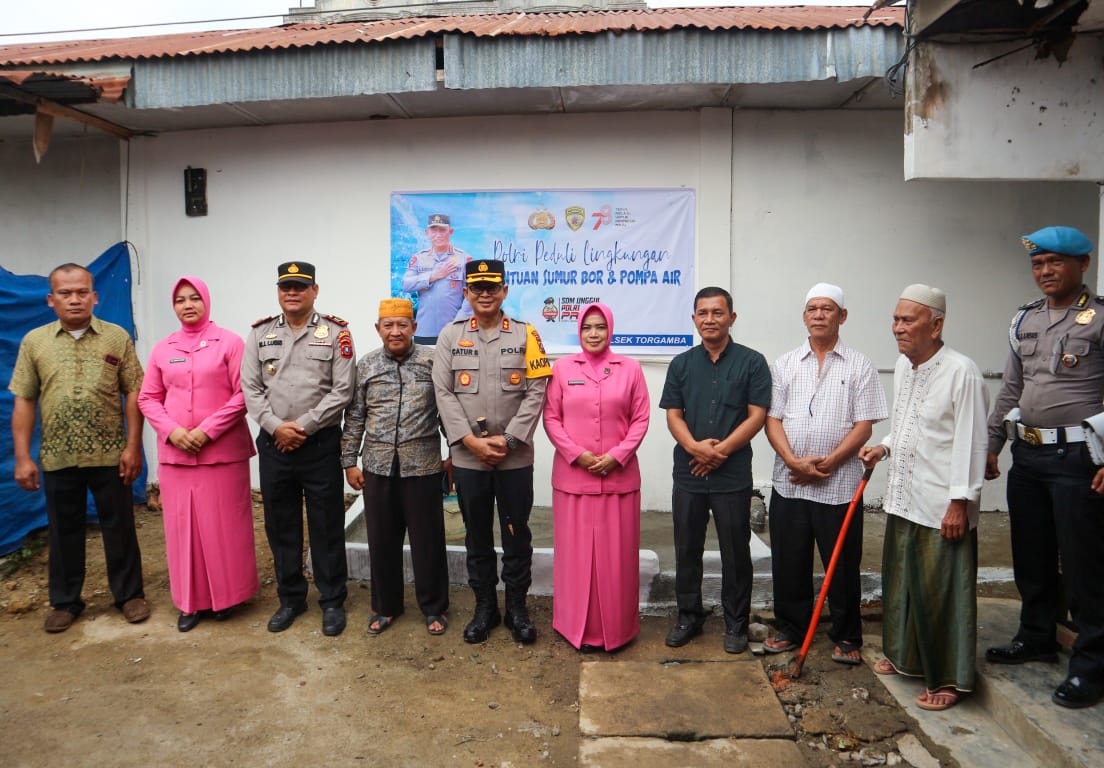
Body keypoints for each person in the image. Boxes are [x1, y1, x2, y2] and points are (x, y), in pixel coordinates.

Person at [984, 226, 1104, 709]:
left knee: (1084, 565)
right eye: (1038, 264)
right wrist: (991, 444)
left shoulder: (1098, 319)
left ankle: (1091, 666)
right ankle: (1036, 636)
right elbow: (1011, 389)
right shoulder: (1025, 320)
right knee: (1030, 556)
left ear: (1083, 265)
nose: (1045, 272)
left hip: (1078, 459)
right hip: (1027, 456)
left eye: (1055, 262)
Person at [859, 283, 988, 712]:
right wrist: (884, 446)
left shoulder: (962, 371)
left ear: (936, 325)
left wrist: (960, 502)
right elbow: (911, 424)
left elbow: (971, 440)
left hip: (940, 504)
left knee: (940, 593)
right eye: (895, 319)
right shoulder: (904, 366)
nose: (897, 328)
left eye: (907, 320)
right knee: (904, 585)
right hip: (904, 495)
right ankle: (904, 657)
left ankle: (948, 677)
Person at [9, 263, 149, 633]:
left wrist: (134, 445)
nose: (75, 299)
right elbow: (24, 399)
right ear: (51, 299)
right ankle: (66, 601)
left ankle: (129, 595)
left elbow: (134, 391)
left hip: (110, 452)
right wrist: (22, 457)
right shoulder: (34, 343)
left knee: (119, 527)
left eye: (82, 292)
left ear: (95, 296)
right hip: (57, 456)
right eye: (66, 293)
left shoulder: (116, 337)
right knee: (63, 530)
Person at [764, 283, 887, 664]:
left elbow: (864, 425)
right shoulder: (784, 364)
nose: (819, 315)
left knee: (843, 562)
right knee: (789, 559)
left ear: (842, 317)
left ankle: (847, 636)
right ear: (804, 316)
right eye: (813, 309)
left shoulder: (860, 365)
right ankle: (791, 628)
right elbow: (772, 421)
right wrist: (793, 462)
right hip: (790, 481)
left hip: (840, 485)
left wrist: (829, 464)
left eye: (828, 309)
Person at [432, 258, 551, 644]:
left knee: (517, 535)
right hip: (469, 459)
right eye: (477, 287)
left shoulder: (526, 334)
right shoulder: (449, 336)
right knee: (477, 536)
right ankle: (485, 609)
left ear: (504, 291)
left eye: (492, 287)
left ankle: (517, 608)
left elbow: (537, 391)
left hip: (514, 458)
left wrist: (511, 438)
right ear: (466, 292)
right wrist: (469, 441)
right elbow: (444, 393)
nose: (484, 294)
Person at [241, 262, 356, 637]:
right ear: (278, 291)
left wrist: (302, 428)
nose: (292, 293)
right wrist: (277, 428)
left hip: (318, 444)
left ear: (314, 290)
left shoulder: (337, 332)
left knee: (326, 526)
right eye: (285, 287)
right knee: (281, 524)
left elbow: (343, 391)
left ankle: (332, 600)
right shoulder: (260, 334)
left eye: (300, 287)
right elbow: (251, 390)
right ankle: (291, 598)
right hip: (275, 445)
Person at [138, 276, 258, 633]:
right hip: (177, 456)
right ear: (173, 307)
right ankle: (190, 603)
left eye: (194, 298)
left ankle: (229, 597)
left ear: (206, 301)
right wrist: (173, 431)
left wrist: (207, 430)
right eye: (180, 300)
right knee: (182, 530)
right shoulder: (163, 348)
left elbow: (243, 395)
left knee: (224, 527)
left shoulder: (231, 343)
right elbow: (148, 398)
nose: (188, 305)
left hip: (221, 453)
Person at [658, 286, 771, 654]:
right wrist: (694, 447)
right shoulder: (681, 364)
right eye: (702, 313)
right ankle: (689, 617)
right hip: (689, 472)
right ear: (694, 319)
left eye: (717, 312)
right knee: (687, 548)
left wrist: (721, 450)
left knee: (735, 551)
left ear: (731, 318)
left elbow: (757, 415)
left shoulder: (752, 362)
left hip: (731, 474)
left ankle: (736, 622)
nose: (710, 319)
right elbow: (673, 414)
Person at [543, 303, 651, 652]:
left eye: (600, 327)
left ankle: (616, 630)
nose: (593, 334)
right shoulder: (561, 369)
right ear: (579, 330)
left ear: (610, 330)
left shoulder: (630, 369)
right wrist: (578, 454)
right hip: (573, 482)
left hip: (619, 483)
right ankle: (574, 625)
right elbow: (551, 418)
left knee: (616, 561)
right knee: (575, 561)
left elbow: (641, 419)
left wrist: (617, 456)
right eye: (587, 327)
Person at [341, 298, 450, 636]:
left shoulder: (433, 363)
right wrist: (349, 462)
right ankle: (386, 607)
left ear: (414, 328)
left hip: (424, 468)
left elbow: (448, 412)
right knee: (382, 541)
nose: (396, 331)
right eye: (388, 325)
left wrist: (455, 457)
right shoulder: (367, 366)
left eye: (403, 324)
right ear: (378, 329)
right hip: (377, 468)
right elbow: (355, 416)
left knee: (428, 543)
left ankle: (434, 608)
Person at [403, 213, 473, 343]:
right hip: (424, 330)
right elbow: (406, 284)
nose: (438, 234)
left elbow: (471, 294)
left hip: (454, 330)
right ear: (427, 232)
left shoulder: (464, 258)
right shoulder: (419, 258)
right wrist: (432, 276)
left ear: (450, 231)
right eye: (434, 230)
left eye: (442, 230)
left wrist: (459, 322)